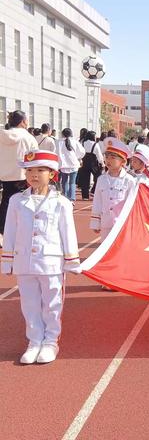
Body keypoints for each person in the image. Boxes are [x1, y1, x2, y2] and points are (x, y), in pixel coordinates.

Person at [1, 150, 80, 363]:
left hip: (51, 262)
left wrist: (71, 260)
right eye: (29, 170)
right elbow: (9, 231)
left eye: (40, 170)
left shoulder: (61, 202)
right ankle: (34, 340)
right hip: (24, 261)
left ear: (52, 174)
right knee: (29, 303)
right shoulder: (17, 200)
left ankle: (50, 341)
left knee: (52, 304)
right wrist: (7, 261)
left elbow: (67, 231)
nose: (34, 174)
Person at [0, 110, 38, 245]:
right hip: (22, 175)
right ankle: (20, 232)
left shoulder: (2, 135)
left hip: (4, 174)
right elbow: (35, 157)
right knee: (24, 203)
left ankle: (2, 233)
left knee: (5, 202)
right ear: (22, 121)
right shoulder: (28, 138)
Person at [90, 138, 136, 242]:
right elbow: (97, 201)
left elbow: (132, 203)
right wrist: (95, 222)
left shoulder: (129, 180)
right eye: (106, 156)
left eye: (113, 157)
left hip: (122, 224)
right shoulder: (101, 179)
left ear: (123, 161)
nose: (108, 160)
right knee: (105, 251)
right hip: (106, 223)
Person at [57, 128, 85, 204]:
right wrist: (77, 157)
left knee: (64, 182)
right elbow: (82, 152)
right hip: (73, 164)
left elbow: (56, 152)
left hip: (63, 165)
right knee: (72, 182)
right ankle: (72, 198)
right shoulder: (75, 141)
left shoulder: (59, 142)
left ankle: (65, 197)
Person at [78, 131, 104, 200]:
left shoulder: (83, 143)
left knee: (85, 179)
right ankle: (93, 190)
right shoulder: (95, 144)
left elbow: (79, 153)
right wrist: (102, 163)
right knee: (98, 177)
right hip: (93, 163)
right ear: (93, 137)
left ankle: (85, 196)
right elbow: (99, 155)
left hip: (84, 162)